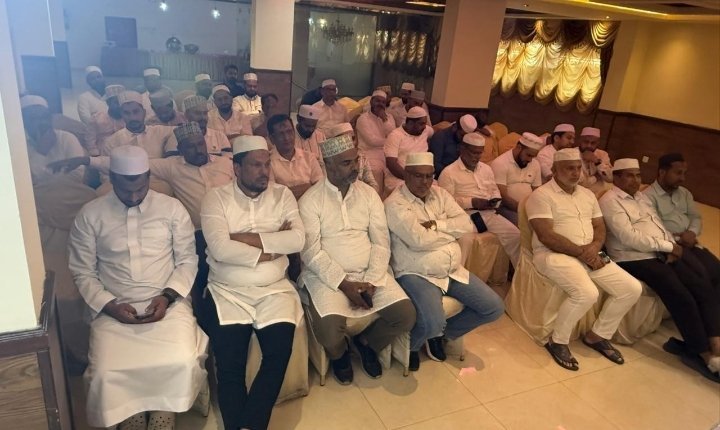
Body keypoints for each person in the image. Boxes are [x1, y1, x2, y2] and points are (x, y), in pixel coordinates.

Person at [67, 145, 208, 430]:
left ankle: (164, 406)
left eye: (140, 189)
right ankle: (129, 409)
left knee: (180, 360)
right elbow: (82, 271)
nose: (133, 197)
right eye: (125, 190)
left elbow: (187, 261)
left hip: (168, 303)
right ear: (112, 179)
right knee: (106, 370)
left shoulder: (171, 209)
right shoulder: (90, 214)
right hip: (113, 307)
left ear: (148, 178)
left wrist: (167, 297)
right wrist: (110, 306)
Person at [198, 135, 305, 430]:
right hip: (228, 291)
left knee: (278, 354)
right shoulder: (215, 198)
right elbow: (220, 248)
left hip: (275, 290)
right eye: (256, 165)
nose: (264, 172)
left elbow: (298, 239)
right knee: (229, 364)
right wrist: (272, 247)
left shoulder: (282, 194)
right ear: (237, 168)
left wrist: (242, 238)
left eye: (266, 164)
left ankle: (251, 424)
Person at [298, 133, 415, 383]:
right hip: (328, 279)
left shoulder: (368, 194)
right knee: (329, 333)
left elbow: (381, 241)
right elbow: (310, 252)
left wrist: (371, 281)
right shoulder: (311, 200)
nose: (354, 168)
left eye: (355, 161)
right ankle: (340, 355)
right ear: (327, 164)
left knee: (406, 316)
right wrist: (344, 284)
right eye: (346, 163)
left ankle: (367, 344)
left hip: (369, 273)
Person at [599, 158, 720, 383]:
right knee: (680, 294)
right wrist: (668, 247)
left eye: (638, 175)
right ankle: (703, 355)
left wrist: (669, 245)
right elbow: (629, 237)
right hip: (632, 257)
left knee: (701, 284)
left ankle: (716, 345)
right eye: (629, 175)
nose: (635, 180)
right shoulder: (610, 201)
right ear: (616, 177)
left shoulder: (641, 198)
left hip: (659, 251)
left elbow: (658, 226)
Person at [385, 152, 505, 371]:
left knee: (494, 308)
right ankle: (413, 344)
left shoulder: (440, 194)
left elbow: (466, 224)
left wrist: (435, 225)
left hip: (451, 270)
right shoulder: (395, 203)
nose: (425, 182)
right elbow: (418, 240)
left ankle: (441, 335)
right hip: (416, 272)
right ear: (406, 175)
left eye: (429, 176)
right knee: (433, 322)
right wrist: (449, 231)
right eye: (418, 176)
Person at [526, 147, 642, 371]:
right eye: (569, 168)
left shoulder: (587, 195)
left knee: (631, 288)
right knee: (587, 292)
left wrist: (595, 248)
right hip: (553, 254)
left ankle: (597, 335)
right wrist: (582, 253)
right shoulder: (541, 195)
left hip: (590, 252)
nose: (575, 173)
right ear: (554, 170)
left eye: (578, 168)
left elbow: (599, 227)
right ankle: (558, 341)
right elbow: (546, 236)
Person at [438, 133, 521, 268]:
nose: (476, 157)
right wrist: (472, 202)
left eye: (480, 153)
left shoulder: (486, 169)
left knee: (515, 235)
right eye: (473, 152)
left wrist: (494, 201)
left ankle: (519, 275)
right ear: (462, 149)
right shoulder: (449, 172)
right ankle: (455, 275)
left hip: (488, 214)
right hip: (464, 216)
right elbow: (445, 204)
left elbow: (494, 190)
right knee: (465, 240)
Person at [645, 153, 720, 287]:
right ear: (662, 172)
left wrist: (691, 232)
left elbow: (695, 217)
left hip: (692, 243)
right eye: (678, 173)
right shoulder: (648, 197)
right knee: (702, 277)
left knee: (716, 270)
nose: (683, 178)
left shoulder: (685, 193)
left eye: (684, 173)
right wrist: (680, 239)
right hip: (672, 247)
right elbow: (653, 228)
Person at [21, 95, 86, 185]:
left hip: (69, 190)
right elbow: (26, 182)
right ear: (24, 122)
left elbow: (78, 175)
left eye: (45, 117)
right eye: (34, 118)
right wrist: (41, 153)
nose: (42, 122)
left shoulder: (66, 138)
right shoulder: (20, 147)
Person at [490, 132, 544, 225]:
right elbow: (503, 197)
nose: (530, 160)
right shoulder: (500, 163)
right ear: (519, 147)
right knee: (525, 226)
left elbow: (537, 191)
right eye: (528, 155)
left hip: (529, 209)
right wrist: (525, 211)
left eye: (533, 156)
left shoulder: (535, 164)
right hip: (505, 208)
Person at [102, 91, 174, 159]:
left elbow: (179, 129)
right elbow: (106, 165)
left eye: (136, 112)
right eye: (126, 113)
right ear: (122, 115)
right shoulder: (111, 143)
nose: (132, 117)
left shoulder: (160, 132)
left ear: (144, 112)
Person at [267, 114, 324, 200]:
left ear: (294, 132)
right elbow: (273, 195)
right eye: (281, 134)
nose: (287, 138)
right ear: (272, 139)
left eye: (289, 132)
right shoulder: (268, 162)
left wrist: (286, 190)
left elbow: (320, 187)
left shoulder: (309, 157)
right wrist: (308, 187)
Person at [384, 106, 434, 194]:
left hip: (423, 176)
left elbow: (436, 130)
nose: (424, 127)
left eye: (425, 124)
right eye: (421, 124)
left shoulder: (425, 131)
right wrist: (411, 179)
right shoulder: (395, 136)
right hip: (399, 178)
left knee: (437, 192)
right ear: (410, 123)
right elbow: (391, 164)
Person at [166, 95, 232, 157]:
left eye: (205, 113)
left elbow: (228, 160)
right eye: (197, 113)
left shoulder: (219, 136)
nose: (203, 117)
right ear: (186, 115)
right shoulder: (176, 137)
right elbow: (172, 162)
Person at [356, 90, 396, 190]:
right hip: (369, 154)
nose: (380, 104)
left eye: (383, 102)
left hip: (388, 153)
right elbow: (372, 141)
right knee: (376, 170)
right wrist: (390, 141)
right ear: (371, 102)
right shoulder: (363, 119)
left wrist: (384, 120)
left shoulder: (389, 118)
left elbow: (394, 136)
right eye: (377, 101)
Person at [327, 122, 380, 194]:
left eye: (353, 138)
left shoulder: (362, 157)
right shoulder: (330, 161)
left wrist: (369, 195)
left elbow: (372, 183)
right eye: (346, 139)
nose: (351, 142)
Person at [84, 84, 125, 156]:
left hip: (124, 153)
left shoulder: (128, 118)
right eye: (116, 102)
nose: (120, 105)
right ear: (108, 103)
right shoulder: (96, 119)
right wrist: (96, 156)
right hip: (103, 154)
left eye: (121, 102)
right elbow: (90, 141)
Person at [578, 127, 612, 195]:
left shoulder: (602, 154)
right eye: (586, 142)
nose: (589, 146)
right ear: (580, 140)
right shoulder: (572, 154)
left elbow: (610, 178)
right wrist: (596, 177)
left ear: (598, 143)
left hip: (599, 195)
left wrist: (597, 162)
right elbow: (581, 183)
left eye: (593, 143)